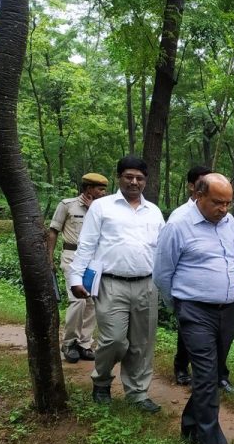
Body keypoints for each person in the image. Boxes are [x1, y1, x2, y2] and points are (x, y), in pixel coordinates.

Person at [153, 172, 234, 444]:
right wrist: (179, 307)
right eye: (217, 202)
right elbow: (162, 273)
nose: (224, 209)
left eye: (228, 203)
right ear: (198, 195)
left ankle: (190, 425)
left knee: (213, 374)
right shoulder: (178, 225)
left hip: (227, 309)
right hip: (195, 310)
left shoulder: (229, 222)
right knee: (206, 379)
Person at [69, 155, 165, 413]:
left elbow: (162, 250)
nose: (134, 182)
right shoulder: (102, 207)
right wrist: (76, 278)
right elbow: (86, 244)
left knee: (142, 343)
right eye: (128, 177)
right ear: (119, 178)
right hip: (111, 284)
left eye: (139, 178)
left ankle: (138, 393)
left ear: (146, 181)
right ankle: (101, 381)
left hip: (147, 284)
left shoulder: (154, 212)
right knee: (113, 339)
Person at [47, 172, 108, 363]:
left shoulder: (104, 209)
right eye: (100, 189)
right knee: (78, 300)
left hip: (93, 260)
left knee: (91, 302)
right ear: (89, 188)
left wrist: (94, 210)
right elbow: (53, 231)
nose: (103, 193)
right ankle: (69, 342)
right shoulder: (67, 205)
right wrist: (49, 258)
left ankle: (84, 344)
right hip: (71, 257)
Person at [168, 165, 212, 387]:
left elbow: (230, 244)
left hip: (214, 289)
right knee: (187, 333)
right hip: (189, 288)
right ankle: (181, 367)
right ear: (191, 186)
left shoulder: (219, 213)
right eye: (203, 183)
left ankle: (217, 375)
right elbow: (167, 259)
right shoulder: (180, 216)